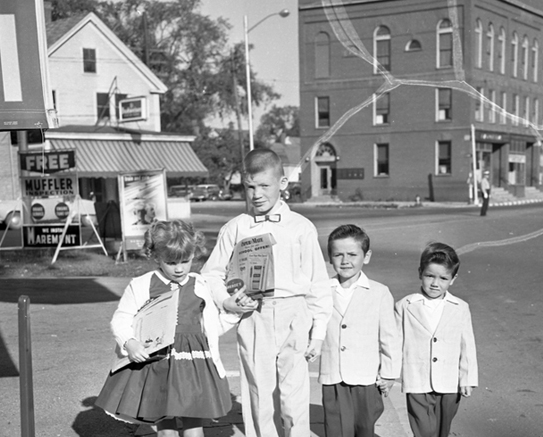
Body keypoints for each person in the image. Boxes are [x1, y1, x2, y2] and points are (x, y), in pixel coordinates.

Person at [201, 148, 331, 437]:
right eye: (250, 187)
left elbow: (318, 283)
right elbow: (210, 274)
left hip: (295, 313)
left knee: (294, 392)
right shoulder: (236, 227)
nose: (256, 194)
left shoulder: (301, 228)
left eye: (264, 186)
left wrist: (319, 332)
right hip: (253, 315)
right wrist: (228, 301)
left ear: (282, 184)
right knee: (258, 389)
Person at [95, 220, 246, 437]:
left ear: (194, 254)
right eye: (171, 262)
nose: (179, 268)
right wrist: (130, 342)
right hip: (158, 364)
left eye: (186, 261)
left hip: (194, 365)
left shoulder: (200, 285)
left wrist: (234, 313)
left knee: (194, 426)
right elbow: (121, 319)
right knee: (166, 428)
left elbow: (212, 327)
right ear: (155, 257)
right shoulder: (142, 285)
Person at [319, 224, 401, 437]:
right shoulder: (320, 291)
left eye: (352, 254)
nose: (345, 261)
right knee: (335, 430)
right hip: (332, 375)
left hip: (365, 378)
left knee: (364, 429)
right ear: (330, 257)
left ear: (366, 256)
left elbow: (389, 337)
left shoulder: (379, 292)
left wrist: (390, 374)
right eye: (338, 255)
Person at [395, 242, 478, 437]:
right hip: (417, 379)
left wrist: (467, 378)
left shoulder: (460, 307)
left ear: (453, 279)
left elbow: (467, 345)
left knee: (442, 430)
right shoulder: (405, 305)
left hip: (449, 382)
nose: (435, 283)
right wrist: (388, 373)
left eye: (443, 278)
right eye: (430, 276)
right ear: (420, 273)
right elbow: (394, 342)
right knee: (423, 430)